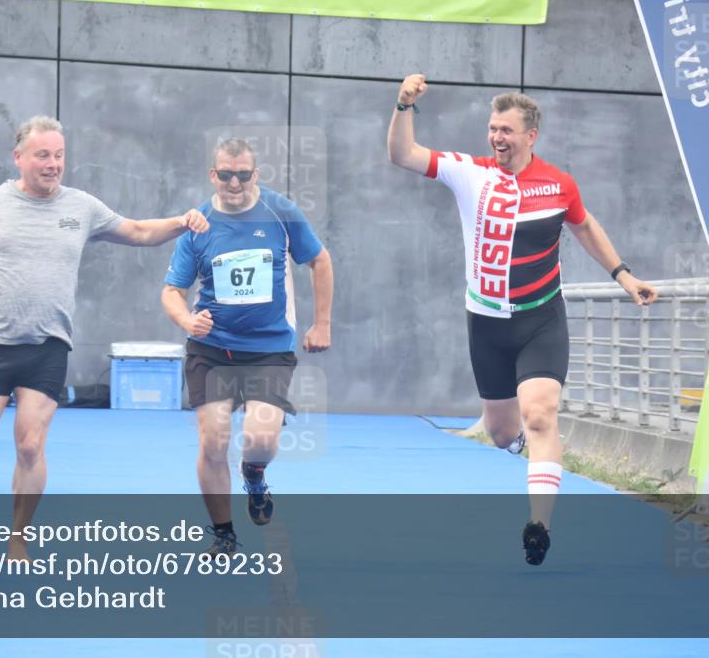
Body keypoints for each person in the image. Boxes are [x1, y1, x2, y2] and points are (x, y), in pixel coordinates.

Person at [0, 115, 210, 560]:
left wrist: (181, 221)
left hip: (48, 346)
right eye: (43, 155)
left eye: (59, 155)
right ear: (18, 158)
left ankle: (18, 537)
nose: (53, 164)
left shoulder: (80, 207)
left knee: (30, 444)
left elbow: (138, 231)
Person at [387, 74, 658, 565]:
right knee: (501, 432)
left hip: (540, 320)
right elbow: (402, 155)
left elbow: (585, 227)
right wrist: (404, 106)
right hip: (487, 325)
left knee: (539, 413)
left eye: (507, 131)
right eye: (493, 129)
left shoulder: (559, 184)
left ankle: (539, 525)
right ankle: (531, 452)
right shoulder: (470, 173)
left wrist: (623, 274)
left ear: (531, 135)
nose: (497, 138)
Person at [161, 138, 333, 557]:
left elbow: (320, 260)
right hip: (212, 348)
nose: (233, 182)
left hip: (268, 347)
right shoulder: (198, 224)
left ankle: (254, 475)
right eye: (225, 174)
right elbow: (171, 291)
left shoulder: (281, 213)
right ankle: (223, 534)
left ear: (255, 175)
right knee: (213, 440)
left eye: (242, 174)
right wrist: (187, 320)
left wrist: (322, 322)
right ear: (212, 174)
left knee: (259, 439)